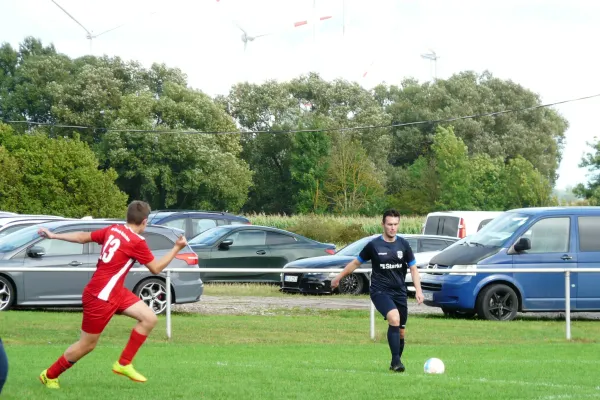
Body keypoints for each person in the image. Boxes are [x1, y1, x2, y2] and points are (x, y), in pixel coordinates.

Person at [37, 200, 188, 389]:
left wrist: (54, 235)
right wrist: (176, 248)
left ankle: (124, 363)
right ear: (144, 222)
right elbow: (156, 268)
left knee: (149, 318)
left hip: (115, 292)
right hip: (99, 296)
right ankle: (49, 375)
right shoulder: (136, 242)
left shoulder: (114, 229)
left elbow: (83, 237)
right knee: (87, 345)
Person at [331, 209, 424, 372]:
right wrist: (339, 277)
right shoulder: (374, 245)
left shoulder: (404, 244)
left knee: (401, 331)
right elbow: (355, 263)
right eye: (389, 224)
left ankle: (395, 361)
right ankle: (396, 363)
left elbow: (414, 269)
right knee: (394, 318)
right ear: (383, 224)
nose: (392, 228)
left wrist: (419, 290)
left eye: (395, 224)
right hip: (380, 291)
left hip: (400, 292)